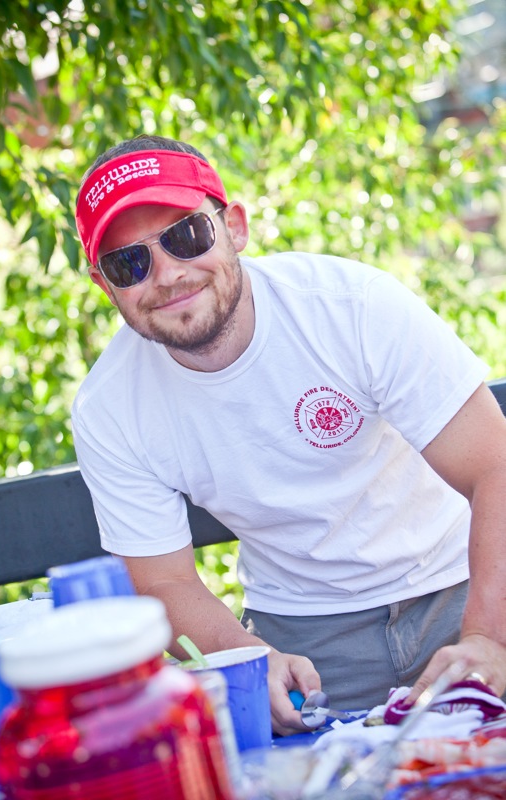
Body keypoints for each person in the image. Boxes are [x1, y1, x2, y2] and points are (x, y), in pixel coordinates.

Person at [72, 133, 506, 736]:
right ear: (105, 286)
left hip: (465, 586)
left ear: (235, 227)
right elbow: (162, 579)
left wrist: (490, 638)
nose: (168, 274)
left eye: (186, 236)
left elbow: (494, 468)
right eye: (130, 263)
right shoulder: (109, 407)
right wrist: (248, 658)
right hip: (307, 635)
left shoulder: (352, 305)